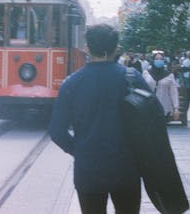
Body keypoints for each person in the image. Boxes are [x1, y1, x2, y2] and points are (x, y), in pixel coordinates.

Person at [49, 24, 148, 213]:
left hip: (88, 170)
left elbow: (57, 132)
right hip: (125, 168)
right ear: (116, 47)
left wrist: (79, 149)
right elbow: (151, 119)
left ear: (86, 48)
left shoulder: (71, 83)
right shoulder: (132, 78)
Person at [143, 52, 180, 121]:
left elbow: (174, 93)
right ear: (153, 60)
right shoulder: (146, 74)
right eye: (157, 59)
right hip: (149, 107)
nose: (159, 60)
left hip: (164, 108)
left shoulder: (169, 75)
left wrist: (176, 108)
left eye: (161, 59)